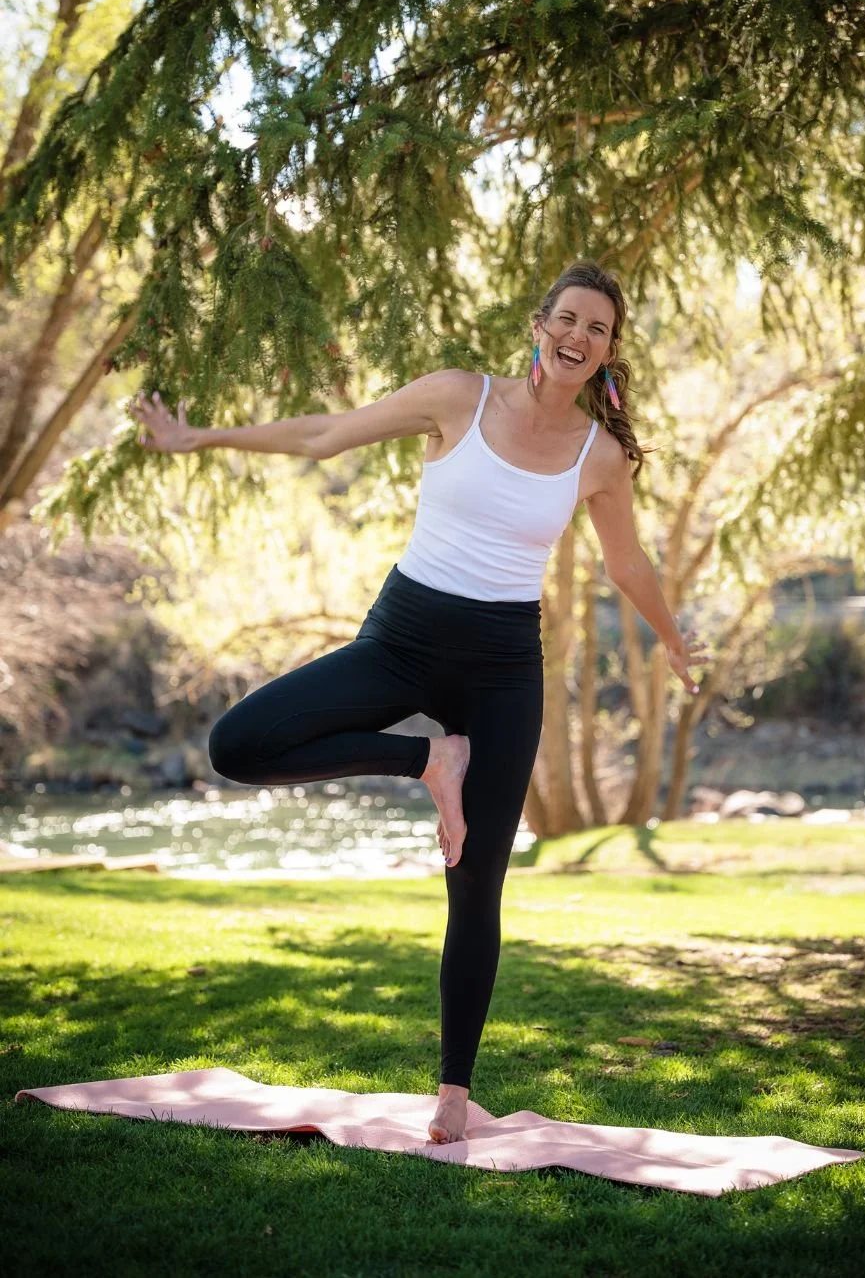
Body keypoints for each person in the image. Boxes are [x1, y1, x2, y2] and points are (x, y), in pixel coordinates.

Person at [129, 258, 708, 1144]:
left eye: (598, 329)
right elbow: (328, 433)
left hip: (503, 669)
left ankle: (452, 1091)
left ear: (608, 352)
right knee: (237, 746)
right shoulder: (456, 398)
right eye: (569, 319)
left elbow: (626, 563)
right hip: (399, 641)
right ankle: (427, 760)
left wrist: (670, 635)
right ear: (538, 324)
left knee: (477, 879)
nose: (578, 337)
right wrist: (198, 437)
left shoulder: (599, 455)